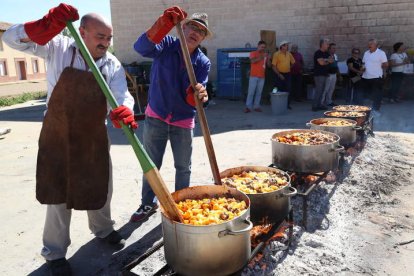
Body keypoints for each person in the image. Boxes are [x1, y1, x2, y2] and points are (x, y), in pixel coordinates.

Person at [3, 4, 137, 275]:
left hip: (93, 137)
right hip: (58, 135)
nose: (105, 43)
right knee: (58, 196)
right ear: (82, 32)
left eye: (109, 38)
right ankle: (54, 253)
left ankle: (102, 229)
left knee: (101, 187)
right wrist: (44, 24)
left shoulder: (111, 63)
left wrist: (125, 110)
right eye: (100, 37)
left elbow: (121, 95)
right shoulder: (58, 47)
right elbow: (11, 39)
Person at [130, 7, 210, 222]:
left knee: (183, 167)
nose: (195, 32)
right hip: (157, 114)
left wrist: (200, 95)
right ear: (182, 28)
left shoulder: (203, 62)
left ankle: (181, 204)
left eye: (200, 31)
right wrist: (162, 25)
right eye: (191, 27)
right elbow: (141, 48)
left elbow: (198, 93)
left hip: (183, 120)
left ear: (203, 38)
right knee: (151, 165)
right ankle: (148, 203)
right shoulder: (165, 45)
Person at [362, 38, 388, 116]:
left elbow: (386, 64)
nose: (369, 45)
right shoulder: (366, 53)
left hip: (376, 77)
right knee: (367, 95)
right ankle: (367, 110)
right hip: (366, 77)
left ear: (376, 45)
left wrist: (378, 65)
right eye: (369, 44)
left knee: (377, 95)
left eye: (371, 44)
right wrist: (362, 68)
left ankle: (376, 110)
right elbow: (363, 63)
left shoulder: (381, 53)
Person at [244, 40, 268, 113]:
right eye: (261, 47)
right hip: (253, 76)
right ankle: (248, 107)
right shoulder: (253, 53)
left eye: (264, 47)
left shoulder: (265, 55)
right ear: (258, 46)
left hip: (262, 76)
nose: (263, 48)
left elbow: (268, 65)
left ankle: (256, 106)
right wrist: (262, 57)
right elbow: (252, 61)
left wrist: (269, 58)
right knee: (251, 92)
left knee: (259, 92)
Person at [272, 40, 295, 109]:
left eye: (287, 45)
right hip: (278, 74)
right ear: (281, 46)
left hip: (287, 74)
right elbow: (273, 66)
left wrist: (288, 68)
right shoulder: (276, 54)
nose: (287, 46)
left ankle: (287, 105)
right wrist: (279, 74)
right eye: (285, 45)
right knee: (277, 89)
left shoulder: (289, 54)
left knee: (288, 89)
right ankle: (275, 102)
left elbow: (293, 62)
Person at [312, 38, 334, 111]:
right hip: (319, 75)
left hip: (325, 74)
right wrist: (327, 61)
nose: (328, 45)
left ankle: (320, 105)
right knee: (319, 90)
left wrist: (325, 60)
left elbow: (331, 60)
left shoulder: (327, 53)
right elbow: (321, 63)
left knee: (323, 91)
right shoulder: (317, 53)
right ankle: (315, 106)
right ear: (322, 45)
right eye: (327, 44)